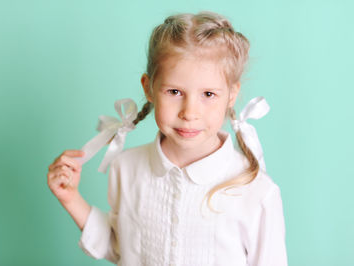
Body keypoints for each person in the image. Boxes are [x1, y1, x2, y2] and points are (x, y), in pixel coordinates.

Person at [47, 11, 288, 266]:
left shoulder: (257, 192)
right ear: (149, 88)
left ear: (231, 94)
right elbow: (122, 249)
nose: (189, 113)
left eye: (208, 94)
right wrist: (71, 198)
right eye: (174, 91)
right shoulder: (125, 169)